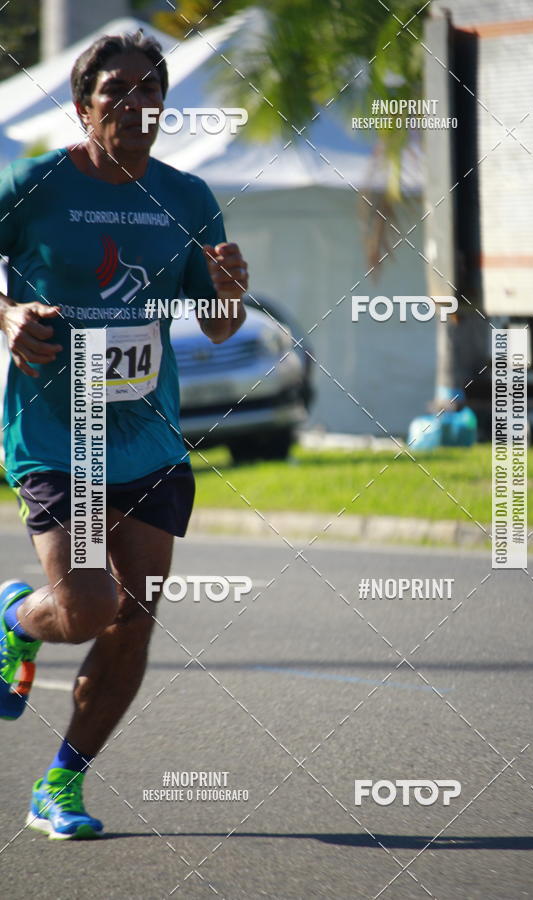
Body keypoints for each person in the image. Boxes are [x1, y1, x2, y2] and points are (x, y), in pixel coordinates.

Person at [0, 30, 248, 839]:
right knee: (88, 604)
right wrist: (6, 315)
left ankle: (61, 784)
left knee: (135, 614)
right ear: (83, 106)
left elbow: (216, 327)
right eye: (118, 91)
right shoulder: (32, 188)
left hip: (147, 437)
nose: (137, 104)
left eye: (151, 89)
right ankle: (15, 619)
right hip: (55, 431)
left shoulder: (187, 196)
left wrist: (228, 295)